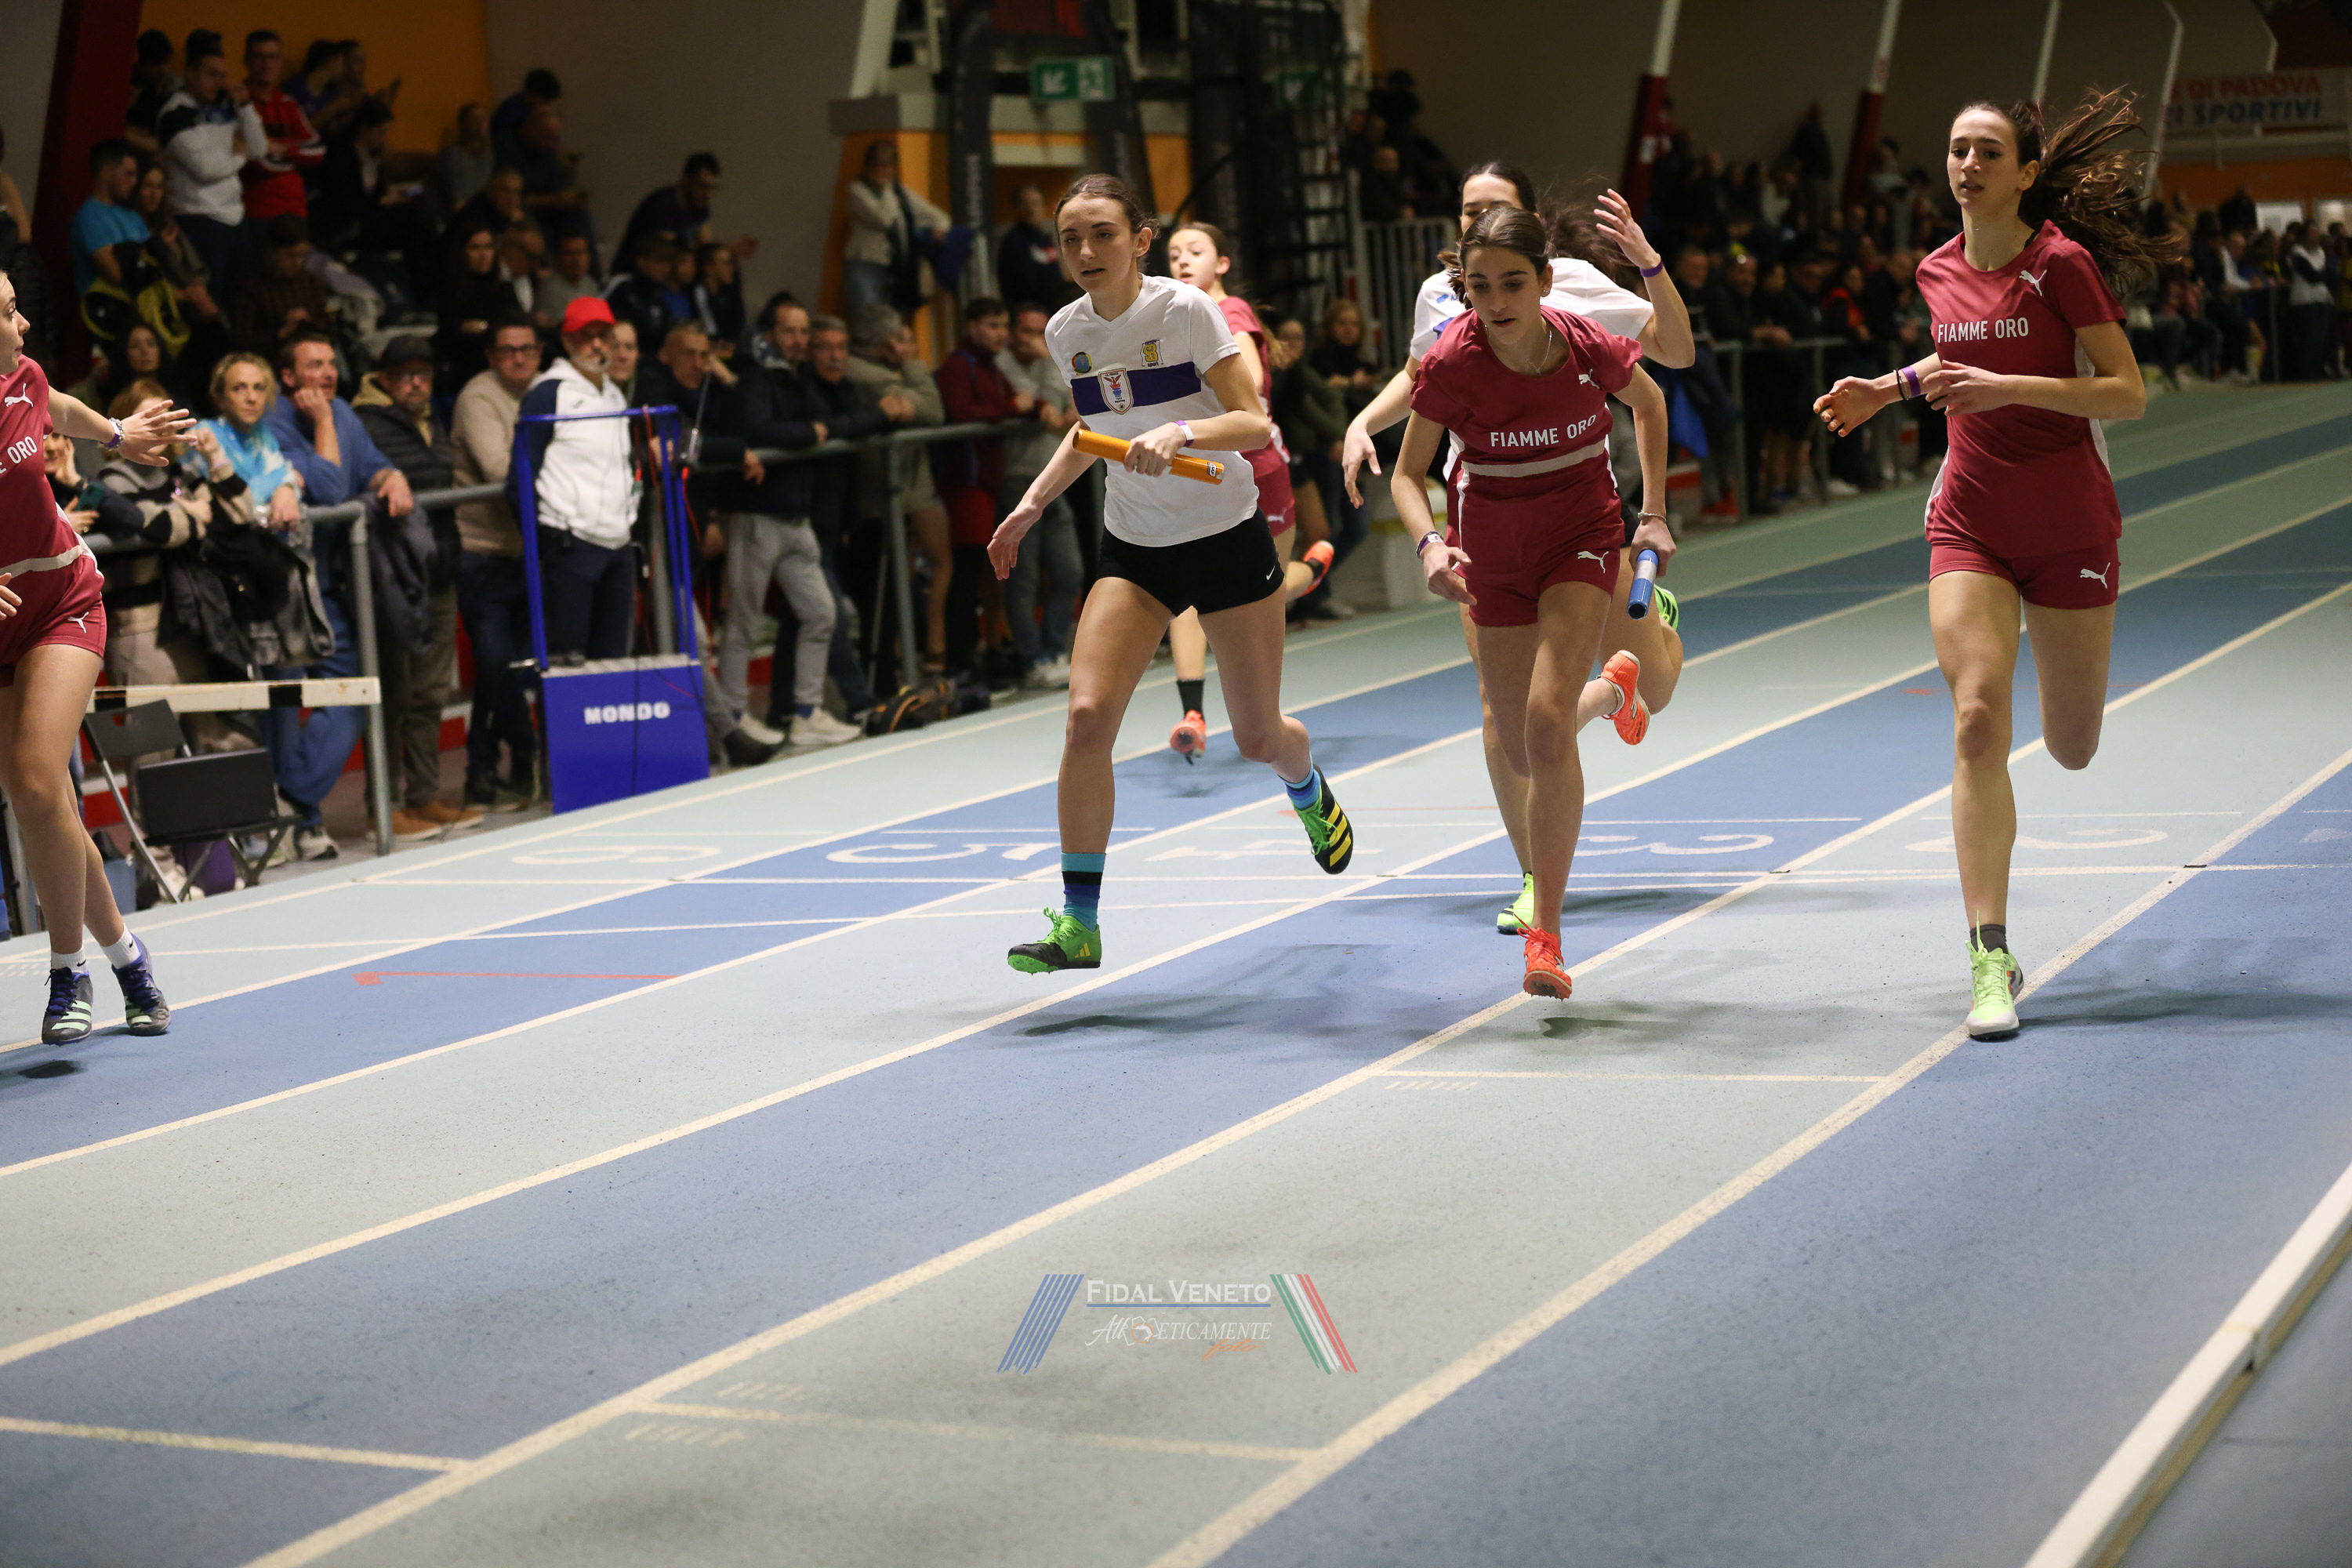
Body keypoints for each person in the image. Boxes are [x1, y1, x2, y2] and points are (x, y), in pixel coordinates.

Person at [1812, 91, 2164, 1039]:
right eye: (1958, 149)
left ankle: (1997, 927)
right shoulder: (1935, 268)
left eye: (1988, 151)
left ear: (2026, 172)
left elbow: (2127, 391)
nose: (1968, 165)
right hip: (1970, 520)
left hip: (2069, 525)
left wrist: (2009, 388)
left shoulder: (2061, 265)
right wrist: (1889, 388)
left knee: (2072, 745)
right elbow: (1954, 358)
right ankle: (1988, 952)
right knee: (1976, 717)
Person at [988, 174, 1355, 975]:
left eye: (1104, 234)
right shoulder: (1065, 330)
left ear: (1141, 240)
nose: (1087, 251)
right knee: (1087, 717)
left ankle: (1305, 783)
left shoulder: (1185, 310)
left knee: (1257, 736)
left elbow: (1253, 420)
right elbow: (1091, 429)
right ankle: (1080, 923)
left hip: (1225, 533)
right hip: (1136, 546)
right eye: (1072, 238)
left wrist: (1182, 431)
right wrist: (1030, 504)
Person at [1341, 160, 1697, 938]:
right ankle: (1536, 876)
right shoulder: (1444, 309)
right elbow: (1417, 384)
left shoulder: (1575, 295)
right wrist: (1366, 425)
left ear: (1537, 256)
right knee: (1515, 727)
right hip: (1488, 533)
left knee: (1642, 691)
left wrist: (1649, 264)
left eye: (1493, 210)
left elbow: (1672, 358)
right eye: (1467, 213)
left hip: (1582, 524)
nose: (1477, 224)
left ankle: (1631, 672)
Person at [0, 270, 179, 1040]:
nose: (23, 325)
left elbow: (56, 406)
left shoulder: (22, 378)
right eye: (8, 312)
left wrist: (114, 433)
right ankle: (129, 958)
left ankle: (67, 970)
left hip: (61, 599)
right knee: (45, 803)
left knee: (36, 780)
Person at [1161, 222, 1334, 760]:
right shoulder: (1169, 318)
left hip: (1257, 471)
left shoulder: (1229, 311)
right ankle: (1193, 712)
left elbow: (1252, 383)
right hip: (1197, 473)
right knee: (1189, 591)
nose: (1182, 261)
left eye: (1195, 251)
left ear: (1222, 264)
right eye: (1174, 253)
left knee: (1263, 595)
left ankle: (1309, 572)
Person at [263, 328, 416, 853]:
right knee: (284, 705)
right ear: (288, 377)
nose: (327, 373)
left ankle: (290, 798)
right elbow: (328, 489)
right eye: (314, 365)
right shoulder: (273, 421)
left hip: (329, 586)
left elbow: (369, 464)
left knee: (351, 693)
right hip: (280, 587)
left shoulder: (344, 412)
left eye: (331, 363)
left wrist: (391, 476)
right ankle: (303, 823)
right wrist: (324, 421)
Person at [353, 334, 484, 840]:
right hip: (393, 576)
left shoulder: (432, 419)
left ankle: (424, 797)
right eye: (405, 374)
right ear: (384, 379)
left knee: (430, 694)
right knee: (394, 695)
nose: (415, 382)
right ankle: (383, 809)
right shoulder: (366, 422)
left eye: (423, 374)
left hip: (438, 570)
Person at [718, 324, 862, 752]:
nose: (799, 339)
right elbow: (757, 433)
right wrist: (808, 433)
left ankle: (807, 713)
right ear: (769, 335)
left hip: (797, 518)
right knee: (743, 622)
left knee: (821, 613)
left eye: (803, 331)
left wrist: (812, 429)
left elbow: (829, 423)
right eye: (789, 331)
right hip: (757, 516)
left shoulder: (801, 382)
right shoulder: (754, 383)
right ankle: (734, 717)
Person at [450, 313, 542, 810]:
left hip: (532, 552)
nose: (518, 358)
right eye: (507, 350)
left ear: (540, 352)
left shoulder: (549, 389)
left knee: (506, 672)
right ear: (491, 356)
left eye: (527, 349)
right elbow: (500, 470)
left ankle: (483, 772)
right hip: (482, 552)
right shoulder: (478, 397)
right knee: (494, 666)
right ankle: (526, 750)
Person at [514, 297, 637, 661]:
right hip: (570, 546)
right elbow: (519, 476)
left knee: (613, 659)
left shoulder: (613, 392)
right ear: (567, 341)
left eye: (604, 336)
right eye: (587, 336)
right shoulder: (548, 393)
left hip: (618, 544)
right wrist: (545, 543)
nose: (597, 345)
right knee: (568, 662)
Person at [844, 304, 949, 665]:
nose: (909, 346)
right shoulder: (863, 372)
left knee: (933, 562)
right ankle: (914, 651)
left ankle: (928, 643)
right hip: (887, 485)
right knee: (899, 576)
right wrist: (913, 364)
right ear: (887, 341)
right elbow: (933, 410)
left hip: (911, 477)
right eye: (903, 338)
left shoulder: (885, 371)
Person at [934, 297, 1033, 676]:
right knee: (966, 573)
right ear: (972, 327)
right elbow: (961, 412)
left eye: (1004, 326)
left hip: (987, 485)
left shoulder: (990, 366)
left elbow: (1012, 401)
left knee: (985, 575)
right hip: (967, 485)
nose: (1001, 334)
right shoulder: (959, 366)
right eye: (993, 326)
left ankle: (985, 653)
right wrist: (1013, 408)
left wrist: (1039, 406)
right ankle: (959, 663)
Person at [997, 302, 1083, 688]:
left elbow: (1063, 408)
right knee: (1024, 579)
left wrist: (1051, 393)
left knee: (1070, 572)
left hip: (1052, 484)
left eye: (1040, 333)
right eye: (1027, 332)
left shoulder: (1048, 363)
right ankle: (1033, 661)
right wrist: (1048, 367)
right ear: (1013, 334)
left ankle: (1054, 651)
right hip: (1018, 482)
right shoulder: (1003, 365)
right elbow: (1040, 404)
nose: (1034, 341)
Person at [156, 33, 268, 307]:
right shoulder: (175, 114)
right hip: (200, 220)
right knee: (207, 304)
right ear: (190, 74)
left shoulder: (226, 107)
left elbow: (259, 149)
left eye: (222, 76)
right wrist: (239, 155)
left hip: (235, 217)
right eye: (211, 74)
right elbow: (205, 169)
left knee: (243, 300)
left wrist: (246, 106)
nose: (218, 82)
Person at [843, 140, 949, 314]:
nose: (885, 171)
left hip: (898, 267)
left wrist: (939, 229)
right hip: (867, 264)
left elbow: (937, 216)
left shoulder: (899, 192)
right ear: (868, 166)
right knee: (871, 318)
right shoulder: (858, 191)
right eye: (880, 165)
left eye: (889, 166)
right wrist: (885, 189)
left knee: (895, 319)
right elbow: (884, 220)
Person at [238, 30, 323, 223]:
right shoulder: (239, 103)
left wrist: (284, 149)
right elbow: (259, 161)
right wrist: (297, 154)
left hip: (295, 209)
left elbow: (318, 151)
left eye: (273, 57)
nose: (267, 64)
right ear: (247, 61)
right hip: (257, 210)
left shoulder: (288, 104)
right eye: (259, 57)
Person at [230, 213, 332, 354]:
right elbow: (242, 343)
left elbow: (328, 329)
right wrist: (282, 332)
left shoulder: (311, 283)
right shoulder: (252, 290)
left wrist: (310, 323)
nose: (298, 262)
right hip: (272, 360)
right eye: (291, 255)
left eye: (303, 255)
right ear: (273, 254)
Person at [70, 140, 148, 299]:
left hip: (143, 302)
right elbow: (117, 276)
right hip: (110, 306)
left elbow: (157, 263)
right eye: (128, 174)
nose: (134, 182)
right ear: (106, 172)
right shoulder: (90, 217)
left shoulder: (132, 216)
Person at [996, 185, 1069, 312]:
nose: (1031, 209)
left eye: (1036, 203)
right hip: (1027, 312)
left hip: (1055, 309)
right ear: (1017, 207)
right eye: (1026, 204)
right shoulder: (1011, 242)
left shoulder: (1047, 238)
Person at [436, 102, 493, 218]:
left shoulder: (490, 156)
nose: (480, 123)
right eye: (475, 119)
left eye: (483, 119)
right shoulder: (454, 155)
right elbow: (457, 202)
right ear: (464, 124)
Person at [536, 232, 599, 334]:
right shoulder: (550, 287)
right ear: (558, 258)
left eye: (580, 253)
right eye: (570, 253)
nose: (576, 260)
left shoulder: (590, 284)